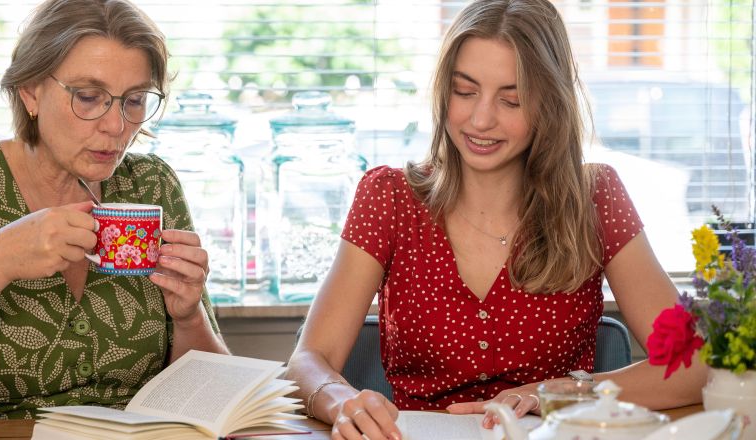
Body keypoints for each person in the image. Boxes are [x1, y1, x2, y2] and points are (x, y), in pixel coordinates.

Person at [285, 0, 707, 438]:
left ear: (550, 105)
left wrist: (564, 392)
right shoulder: (389, 197)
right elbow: (309, 359)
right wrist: (341, 403)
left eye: (512, 100)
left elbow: (693, 364)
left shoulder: (595, 198)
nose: (481, 119)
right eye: (464, 91)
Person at [0, 0, 228, 419]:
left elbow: (212, 396)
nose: (117, 127)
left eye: (134, 101)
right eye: (89, 96)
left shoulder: (151, 185)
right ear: (30, 92)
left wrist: (188, 318)